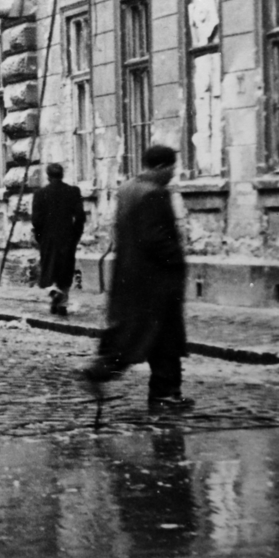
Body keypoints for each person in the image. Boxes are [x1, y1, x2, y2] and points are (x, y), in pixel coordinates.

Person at [83, 145, 193, 410]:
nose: (173, 174)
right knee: (163, 337)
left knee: (135, 334)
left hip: (129, 276)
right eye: (172, 168)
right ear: (161, 167)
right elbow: (156, 238)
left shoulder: (127, 189)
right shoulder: (155, 193)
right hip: (157, 279)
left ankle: (102, 371)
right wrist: (177, 262)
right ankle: (163, 393)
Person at [31, 162, 86, 315]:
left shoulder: (40, 194)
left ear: (48, 176)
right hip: (67, 237)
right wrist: (75, 235)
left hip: (47, 238)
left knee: (49, 269)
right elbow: (80, 217)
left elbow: (36, 220)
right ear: (62, 175)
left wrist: (40, 237)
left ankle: (54, 293)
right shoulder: (73, 191)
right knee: (65, 270)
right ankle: (62, 305)